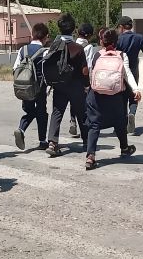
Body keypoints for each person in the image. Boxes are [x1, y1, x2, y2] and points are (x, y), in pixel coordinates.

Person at [83, 28, 141, 170]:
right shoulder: (122, 55)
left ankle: (90, 156)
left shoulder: (97, 55)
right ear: (116, 42)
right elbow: (127, 74)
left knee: (94, 125)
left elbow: (91, 73)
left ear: (102, 41)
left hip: (96, 95)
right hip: (115, 96)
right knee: (120, 121)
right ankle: (124, 148)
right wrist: (136, 89)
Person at [43, 13, 90, 157]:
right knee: (82, 113)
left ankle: (52, 142)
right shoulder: (77, 48)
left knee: (57, 112)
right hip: (76, 86)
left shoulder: (53, 46)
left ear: (59, 28)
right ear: (74, 29)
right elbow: (84, 70)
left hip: (59, 85)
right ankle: (87, 142)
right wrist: (86, 85)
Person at [12, 22, 50, 151]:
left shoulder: (23, 50)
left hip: (25, 86)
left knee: (29, 111)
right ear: (45, 37)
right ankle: (42, 140)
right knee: (41, 113)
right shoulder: (45, 51)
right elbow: (47, 71)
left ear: (32, 35)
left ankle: (21, 129)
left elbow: (15, 68)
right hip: (39, 87)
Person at [116, 15, 143, 134]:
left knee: (121, 97)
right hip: (134, 71)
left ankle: (123, 121)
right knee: (133, 95)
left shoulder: (118, 38)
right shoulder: (139, 37)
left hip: (120, 71)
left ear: (121, 27)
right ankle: (132, 113)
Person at [68, 22, 98, 137]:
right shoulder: (89, 47)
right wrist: (88, 82)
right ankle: (84, 128)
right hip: (82, 78)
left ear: (77, 33)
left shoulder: (73, 44)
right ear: (89, 35)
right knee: (82, 103)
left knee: (72, 101)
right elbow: (89, 65)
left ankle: (72, 121)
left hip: (70, 77)